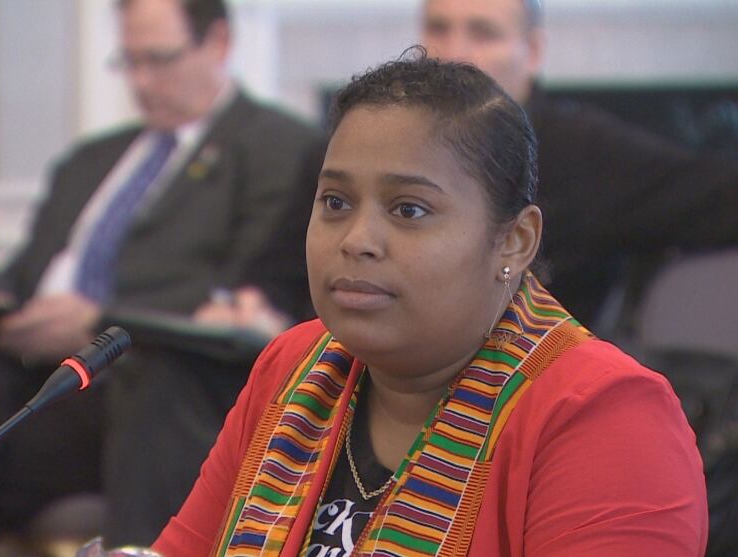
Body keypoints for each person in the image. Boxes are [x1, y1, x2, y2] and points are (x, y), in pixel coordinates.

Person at [151, 53, 707, 557]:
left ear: (514, 240)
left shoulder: (607, 415)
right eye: (336, 201)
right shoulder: (289, 368)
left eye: (409, 210)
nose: (356, 239)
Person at [0, 0, 324, 553]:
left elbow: (244, 292)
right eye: (129, 62)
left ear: (218, 43)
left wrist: (100, 320)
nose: (143, 81)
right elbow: (27, 268)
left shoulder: (277, 148)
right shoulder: (93, 158)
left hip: (137, 379)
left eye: (159, 59)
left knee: (154, 379)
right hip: (30, 375)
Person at [420, 0, 738, 327]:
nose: (453, 53)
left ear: (532, 52)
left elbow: (719, 195)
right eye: (438, 29)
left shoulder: (579, 150)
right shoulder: (398, 144)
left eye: (484, 34)